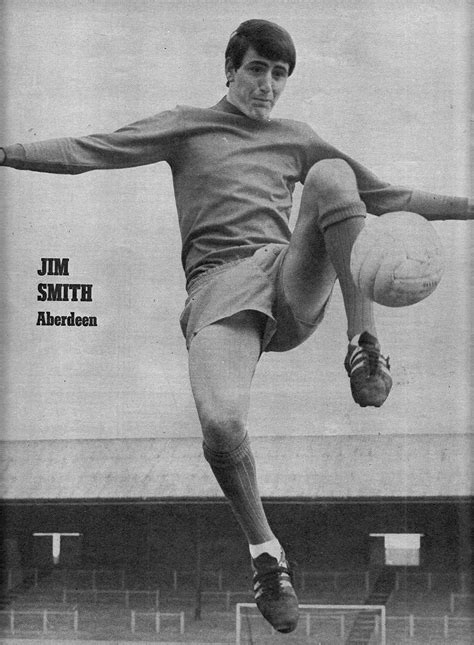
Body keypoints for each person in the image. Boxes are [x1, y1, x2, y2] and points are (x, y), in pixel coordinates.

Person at [1, 19, 471, 633]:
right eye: (257, 70)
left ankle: (363, 344)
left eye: (280, 75)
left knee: (333, 174)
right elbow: (89, 151)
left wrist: (466, 206)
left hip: (288, 275)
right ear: (230, 69)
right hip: (220, 290)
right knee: (221, 423)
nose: (268, 86)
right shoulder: (188, 125)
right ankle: (267, 553)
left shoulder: (295, 137)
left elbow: (384, 197)